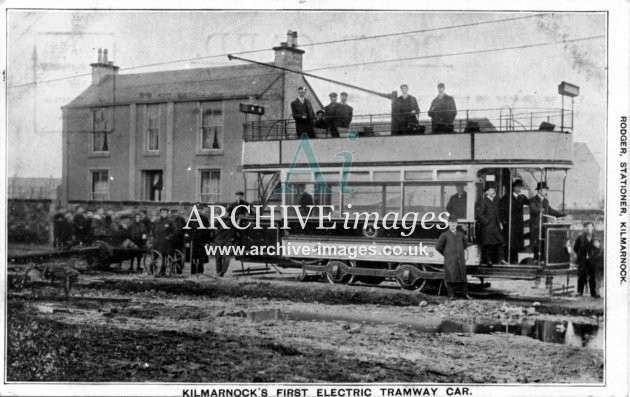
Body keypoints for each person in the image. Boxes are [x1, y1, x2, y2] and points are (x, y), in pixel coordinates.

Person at [436, 214, 471, 300]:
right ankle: (451, 295)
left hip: (460, 260)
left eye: (454, 223)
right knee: (451, 277)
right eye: (451, 223)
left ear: (457, 224)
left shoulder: (461, 234)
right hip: (450, 260)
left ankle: (465, 294)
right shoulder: (444, 235)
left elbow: (465, 245)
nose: (453, 224)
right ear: (448, 224)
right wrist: (447, 254)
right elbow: (438, 247)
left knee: (463, 277)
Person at [529, 181, 566, 262]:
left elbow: (550, 211)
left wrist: (562, 214)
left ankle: (542, 263)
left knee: (543, 246)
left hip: (544, 227)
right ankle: (536, 263)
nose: (546, 191)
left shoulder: (545, 201)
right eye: (544, 190)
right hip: (536, 228)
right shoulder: (532, 200)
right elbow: (534, 209)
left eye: (546, 190)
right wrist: (540, 210)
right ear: (539, 191)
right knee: (537, 247)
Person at [500, 179, 529, 264]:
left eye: (520, 187)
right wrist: (504, 221)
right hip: (509, 224)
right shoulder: (507, 197)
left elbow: (530, 203)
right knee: (509, 242)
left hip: (518, 224)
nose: (519, 188)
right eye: (517, 187)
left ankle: (514, 260)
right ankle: (506, 260)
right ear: (513, 187)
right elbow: (501, 210)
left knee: (517, 243)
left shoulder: (522, 197)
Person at [475, 182, 504, 266]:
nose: (493, 192)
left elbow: (499, 212)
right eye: (491, 190)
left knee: (499, 242)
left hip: (496, 226)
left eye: (494, 190)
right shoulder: (484, 201)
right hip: (487, 227)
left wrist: (500, 223)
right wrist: (486, 222)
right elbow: (479, 214)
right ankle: (488, 260)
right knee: (488, 244)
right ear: (486, 192)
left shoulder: (496, 200)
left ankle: (501, 259)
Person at [573, 222, 601, 298]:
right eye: (586, 227)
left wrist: (598, 247)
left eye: (590, 227)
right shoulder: (580, 238)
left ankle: (593, 293)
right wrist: (581, 256)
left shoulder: (596, 238)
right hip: (583, 260)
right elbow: (575, 248)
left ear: (592, 228)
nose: (588, 229)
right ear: (584, 228)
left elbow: (599, 250)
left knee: (592, 276)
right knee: (581, 276)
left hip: (592, 260)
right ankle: (579, 292)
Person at [152, 208, 176, 276]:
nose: (163, 214)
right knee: (155, 257)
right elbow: (153, 230)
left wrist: (169, 237)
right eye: (162, 212)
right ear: (160, 213)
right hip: (157, 242)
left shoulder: (170, 222)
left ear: (167, 213)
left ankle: (163, 271)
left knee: (164, 257)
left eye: (165, 213)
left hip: (166, 243)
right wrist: (154, 237)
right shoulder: (156, 221)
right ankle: (154, 271)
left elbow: (174, 231)